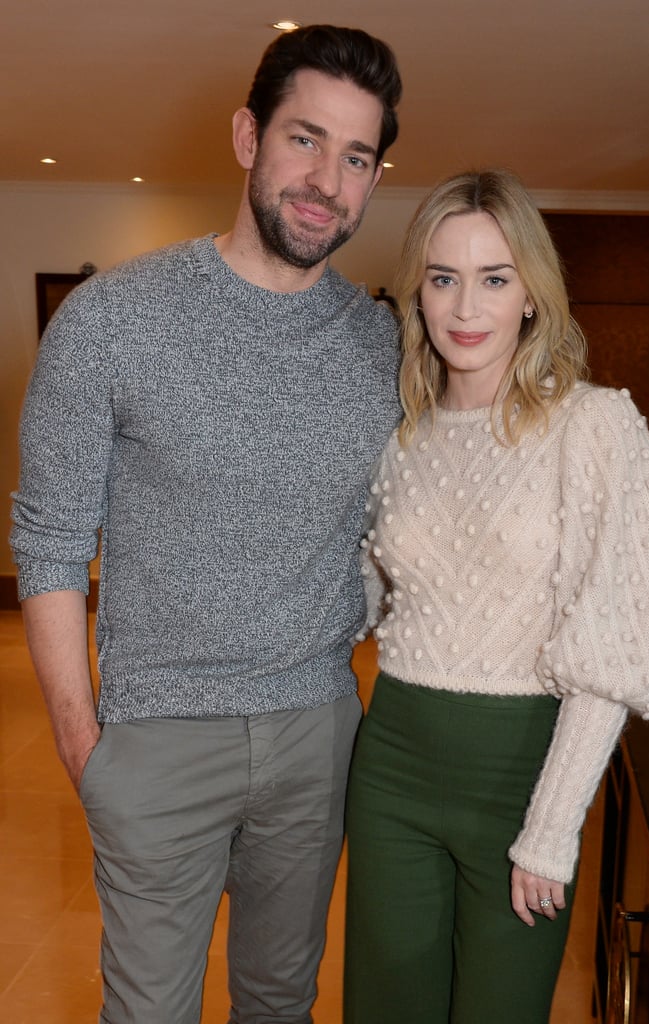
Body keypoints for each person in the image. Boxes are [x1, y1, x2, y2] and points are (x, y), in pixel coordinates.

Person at [10, 25, 402, 1024]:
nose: (326, 179)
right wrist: (85, 745)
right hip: (155, 736)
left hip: (316, 733)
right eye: (304, 139)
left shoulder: (380, 345)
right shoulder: (109, 319)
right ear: (246, 137)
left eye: (355, 156)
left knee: (279, 1001)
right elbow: (49, 540)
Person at [343, 169, 649, 1024]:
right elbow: (367, 598)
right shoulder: (402, 433)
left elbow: (613, 653)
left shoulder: (594, 426)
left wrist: (552, 828)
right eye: (443, 277)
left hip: (521, 771)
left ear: (532, 293)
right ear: (417, 289)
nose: (464, 306)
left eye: (493, 278)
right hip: (394, 764)